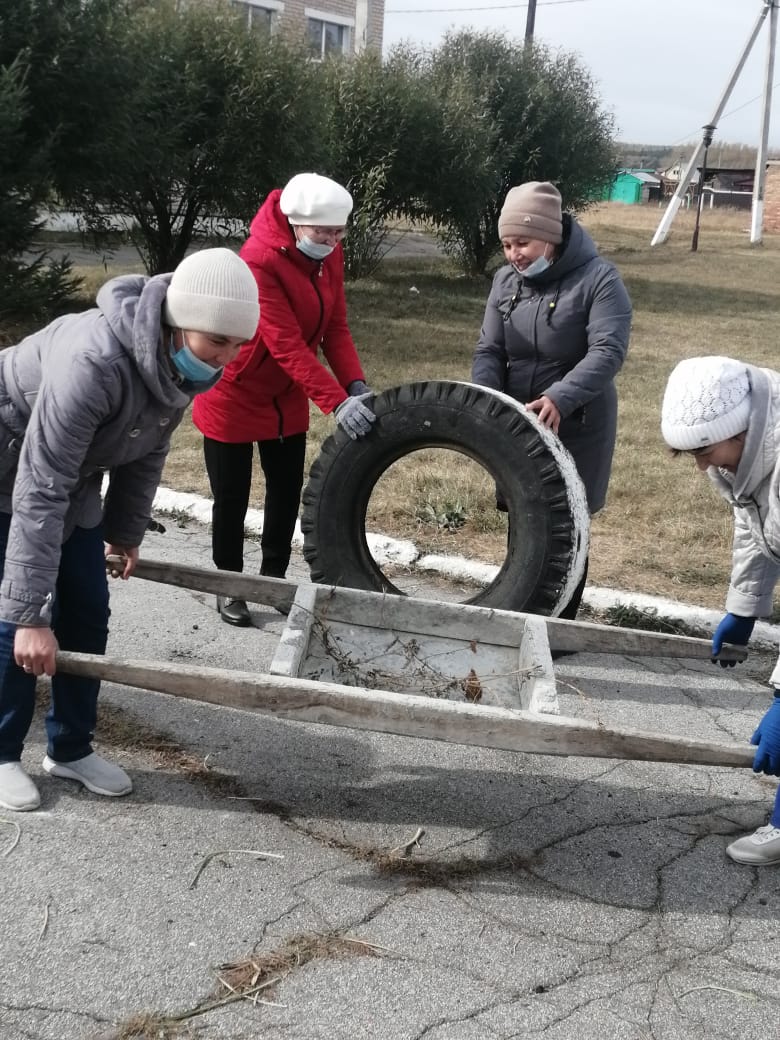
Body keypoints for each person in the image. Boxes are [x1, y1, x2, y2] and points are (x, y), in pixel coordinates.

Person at [0, 248, 260, 812]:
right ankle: (1, 753)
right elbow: (40, 488)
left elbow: (147, 450)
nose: (228, 357)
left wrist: (124, 532)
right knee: (17, 616)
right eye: (219, 341)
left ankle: (70, 748)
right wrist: (30, 617)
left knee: (88, 608)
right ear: (179, 321)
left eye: (240, 344)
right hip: (9, 458)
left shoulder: (177, 363)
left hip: (67, 474)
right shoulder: (93, 362)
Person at [192, 172, 375, 627]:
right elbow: (285, 344)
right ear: (295, 222)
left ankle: (273, 580)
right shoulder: (258, 260)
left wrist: (354, 384)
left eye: (339, 232)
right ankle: (229, 584)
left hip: (286, 395)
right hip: (235, 391)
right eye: (323, 232)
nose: (332, 241)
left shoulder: (329, 254)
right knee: (231, 496)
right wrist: (335, 403)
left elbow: (335, 327)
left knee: (285, 490)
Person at [471, 181, 632, 618]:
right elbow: (490, 350)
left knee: (567, 526)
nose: (514, 255)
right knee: (523, 514)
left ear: (550, 236)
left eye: (522, 243)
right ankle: (518, 619)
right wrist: (488, 401)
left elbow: (608, 350)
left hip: (577, 421)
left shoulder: (599, 279)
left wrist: (560, 397)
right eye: (507, 245)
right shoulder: (505, 281)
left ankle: (559, 627)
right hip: (519, 421)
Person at [661, 355, 780, 866]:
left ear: (741, 427)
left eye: (705, 451)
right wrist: (744, 608)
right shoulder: (750, 462)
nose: (701, 466)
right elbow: (756, 531)